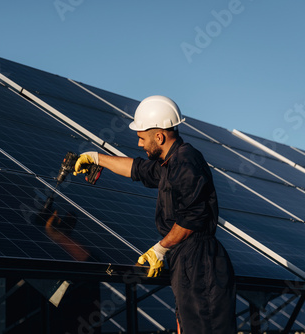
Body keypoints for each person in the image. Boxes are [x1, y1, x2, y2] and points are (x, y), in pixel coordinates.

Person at [74, 95, 236, 333]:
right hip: (187, 259)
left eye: (142, 138)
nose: (139, 144)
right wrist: (97, 158)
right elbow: (137, 169)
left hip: (199, 261)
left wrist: (161, 248)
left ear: (159, 136)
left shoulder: (186, 162)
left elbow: (194, 215)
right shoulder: (169, 164)